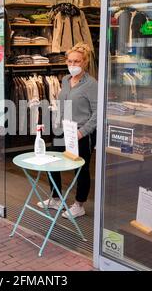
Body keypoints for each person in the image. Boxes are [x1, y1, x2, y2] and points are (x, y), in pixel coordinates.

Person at [37, 42, 98, 219]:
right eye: (70, 61)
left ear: (85, 62)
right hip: (63, 129)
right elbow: (62, 104)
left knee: (81, 168)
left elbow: (97, 113)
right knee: (51, 161)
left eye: (77, 61)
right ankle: (56, 198)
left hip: (81, 132)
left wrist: (83, 132)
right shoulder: (65, 79)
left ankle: (79, 205)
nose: (72, 65)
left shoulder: (92, 84)